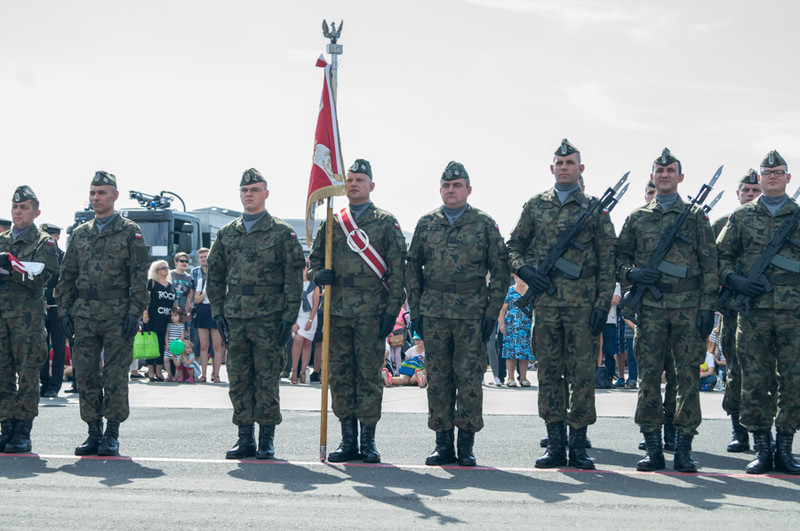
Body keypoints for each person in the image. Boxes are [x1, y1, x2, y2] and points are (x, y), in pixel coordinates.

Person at [507, 139, 616, 470]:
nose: (564, 167)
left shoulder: (595, 210)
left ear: (580, 169)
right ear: (551, 168)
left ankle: (579, 445)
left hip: (583, 309)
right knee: (550, 375)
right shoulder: (534, 206)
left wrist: (601, 304)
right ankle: (555, 443)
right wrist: (525, 270)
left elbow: (608, 260)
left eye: (570, 163)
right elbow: (513, 246)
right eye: (559, 162)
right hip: (547, 307)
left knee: (582, 376)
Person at [616, 148, 717, 473]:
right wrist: (630, 274)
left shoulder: (696, 217)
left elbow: (709, 264)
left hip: (687, 308)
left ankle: (684, 448)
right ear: (653, 176)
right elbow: (617, 258)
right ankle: (654, 447)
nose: (664, 174)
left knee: (687, 377)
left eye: (670, 170)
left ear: (680, 176)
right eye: (659, 170)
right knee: (647, 377)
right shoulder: (637, 217)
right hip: (651, 310)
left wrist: (707, 307)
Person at [406, 161, 509, 467]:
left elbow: (501, 271)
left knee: (469, 380)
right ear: (441, 189)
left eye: (457, 185)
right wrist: (416, 308)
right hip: (435, 312)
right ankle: (442, 443)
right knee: (438, 379)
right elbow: (412, 267)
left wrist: (492, 312)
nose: (451, 191)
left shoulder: (484, 224)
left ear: (468, 189)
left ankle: (465, 444)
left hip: (472, 313)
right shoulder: (426, 224)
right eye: (446, 186)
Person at [308, 158, 407, 464]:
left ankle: (369, 441)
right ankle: (347, 439)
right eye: (349, 180)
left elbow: (397, 272)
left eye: (360, 180)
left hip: (371, 313)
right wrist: (318, 275)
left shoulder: (386, 222)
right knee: (339, 375)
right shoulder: (332, 220)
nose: (353, 184)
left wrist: (391, 313)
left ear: (371, 186)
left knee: (368, 376)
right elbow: (314, 260)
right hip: (337, 313)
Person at [207, 168, 305, 460]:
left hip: (269, 317)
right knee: (238, 378)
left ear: (266, 193)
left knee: (267, 377)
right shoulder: (227, 233)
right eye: (244, 190)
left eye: (255, 190)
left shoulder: (281, 232)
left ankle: (267, 438)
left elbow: (293, 279)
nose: (249, 195)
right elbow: (215, 274)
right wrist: (217, 310)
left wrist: (289, 317)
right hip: (235, 317)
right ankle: (245, 436)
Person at [717, 150, 800, 475]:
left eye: (778, 172)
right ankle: (762, 447)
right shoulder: (741, 217)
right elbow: (721, 255)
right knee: (754, 381)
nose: (772, 177)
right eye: (767, 173)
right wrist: (734, 280)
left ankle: (785, 447)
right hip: (753, 314)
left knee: (793, 381)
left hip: (794, 314)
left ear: (788, 178)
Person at [56, 171, 149, 456]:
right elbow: (67, 275)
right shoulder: (80, 233)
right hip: (84, 314)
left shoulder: (129, 230)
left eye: (102, 193)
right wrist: (64, 311)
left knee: (115, 375)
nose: (96, 198)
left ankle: (112, 433)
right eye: (93, 193)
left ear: (115, 196)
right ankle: (93, 431)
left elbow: (139, 277)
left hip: (118, 315)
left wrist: (135, 312)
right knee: (85, 375)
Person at [713, 168, 775, 453]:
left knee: (766, 372)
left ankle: (765, 429)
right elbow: (713, 262)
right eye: (745, 191)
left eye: (755, 191)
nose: (750, 195)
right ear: (738, 194)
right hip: (733, 309)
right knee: (735, 371)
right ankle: (739, 430)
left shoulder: (776, 223)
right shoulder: (722, 223)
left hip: (767, 308)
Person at [0, 186, 59, 453]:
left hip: (28, 319)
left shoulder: (43, 242)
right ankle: (7, 426)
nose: (17, 212)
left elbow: (40, 280)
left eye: (23, 208)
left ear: (36, 212)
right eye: (14, 208)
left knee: (27, 374)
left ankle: (23, 429)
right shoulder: (2, 240)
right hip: (1, 317)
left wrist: (10, 268)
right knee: (1, 375)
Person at [187, 248, 224, 383]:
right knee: (203, 345)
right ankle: (203, 374)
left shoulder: (221, 278)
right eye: (202, 257)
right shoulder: (200, 280)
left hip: (216, 311)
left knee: (217, 345)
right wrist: (206, 291)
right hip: (203, 311)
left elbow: (224, 295)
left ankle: (217, 374)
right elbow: (197, 299)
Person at [39, 223, 66, 397]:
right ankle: (44, 382)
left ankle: (54, 385)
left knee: (58, 349)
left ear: (56, 237)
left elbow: (66, 283)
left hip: (57, 309)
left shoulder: (64, 257)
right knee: (41, 349)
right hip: (40, 308)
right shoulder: (38, 254)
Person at [497, 274, 535, 388]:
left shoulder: (531, 291)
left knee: (524, 354)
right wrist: (502, 324)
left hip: (526, 326)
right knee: (510, 353)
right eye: (520, 277)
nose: (523, 279)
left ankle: (523, 378)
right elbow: (503, 309)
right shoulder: (509, 291)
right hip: (511, 326)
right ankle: (510, 378)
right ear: (515, 277)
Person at [142, 260, 177, 381]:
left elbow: (174, 303)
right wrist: (145, 314)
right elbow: (146, 299)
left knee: (162, 345)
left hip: (166, 319)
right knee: (152, 344)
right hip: (153, 318)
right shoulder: (152, 283)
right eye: (163, 268)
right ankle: (151, 371)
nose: (166, 270)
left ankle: (159, 371)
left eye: (167, 268)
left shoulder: (171, 286)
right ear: (156, 270)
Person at [290, 262, 321, 384]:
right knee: (297, 339)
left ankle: (303, 371)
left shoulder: (314, 286)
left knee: (307, 344)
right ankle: (294, 370)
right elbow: (291, 303)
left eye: (307, 266)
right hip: (297, 316)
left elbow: (315, 305)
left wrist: (310, 320)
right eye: (303, 266)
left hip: (310, 317)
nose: (304, 269)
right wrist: (293, 321)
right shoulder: (294, 284)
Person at [164, 307, 187, 379]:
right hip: (169, 347)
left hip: (177, 348)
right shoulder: (169, 325)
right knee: (166, 359)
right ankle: (169, 374)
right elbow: (166, 335)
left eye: (175, 315)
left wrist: (176, 345)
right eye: (172, 316)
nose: (173, 317)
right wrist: (167, 344)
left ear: (180, 316)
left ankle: (177, 375)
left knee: (177, 361)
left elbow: (182, 337)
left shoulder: (181, 325)